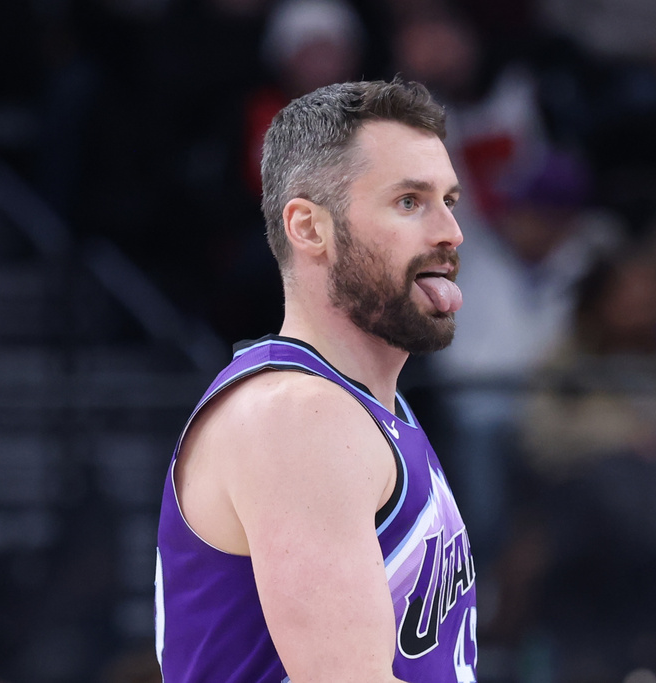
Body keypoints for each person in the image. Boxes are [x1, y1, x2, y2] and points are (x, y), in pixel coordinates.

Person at [154, 79, 477, 683]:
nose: (450, 232)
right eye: (410, 201)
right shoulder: (298, 417)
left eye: (449, 201)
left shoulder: (366, 408)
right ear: (308, 228)